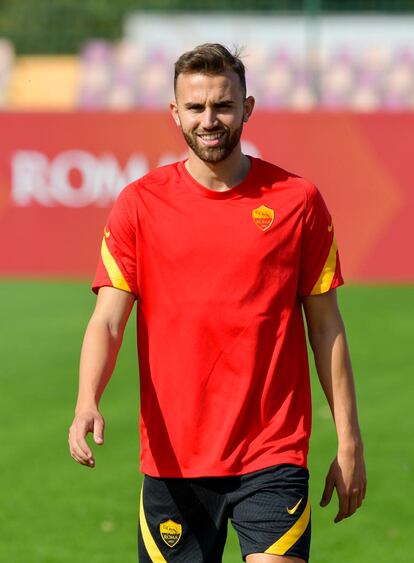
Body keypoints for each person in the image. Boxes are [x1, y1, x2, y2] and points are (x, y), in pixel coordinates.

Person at [68, 43, 366, 563]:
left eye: (223, 106)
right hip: (173, 462)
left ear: (246, 108)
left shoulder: (298, 201)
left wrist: (349, 440)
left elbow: (326, 329)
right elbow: (108, 321)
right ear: (175, 113)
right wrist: (86, 400)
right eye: (196, 107)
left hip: (273, 452)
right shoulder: (138, 204)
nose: (210, 120)